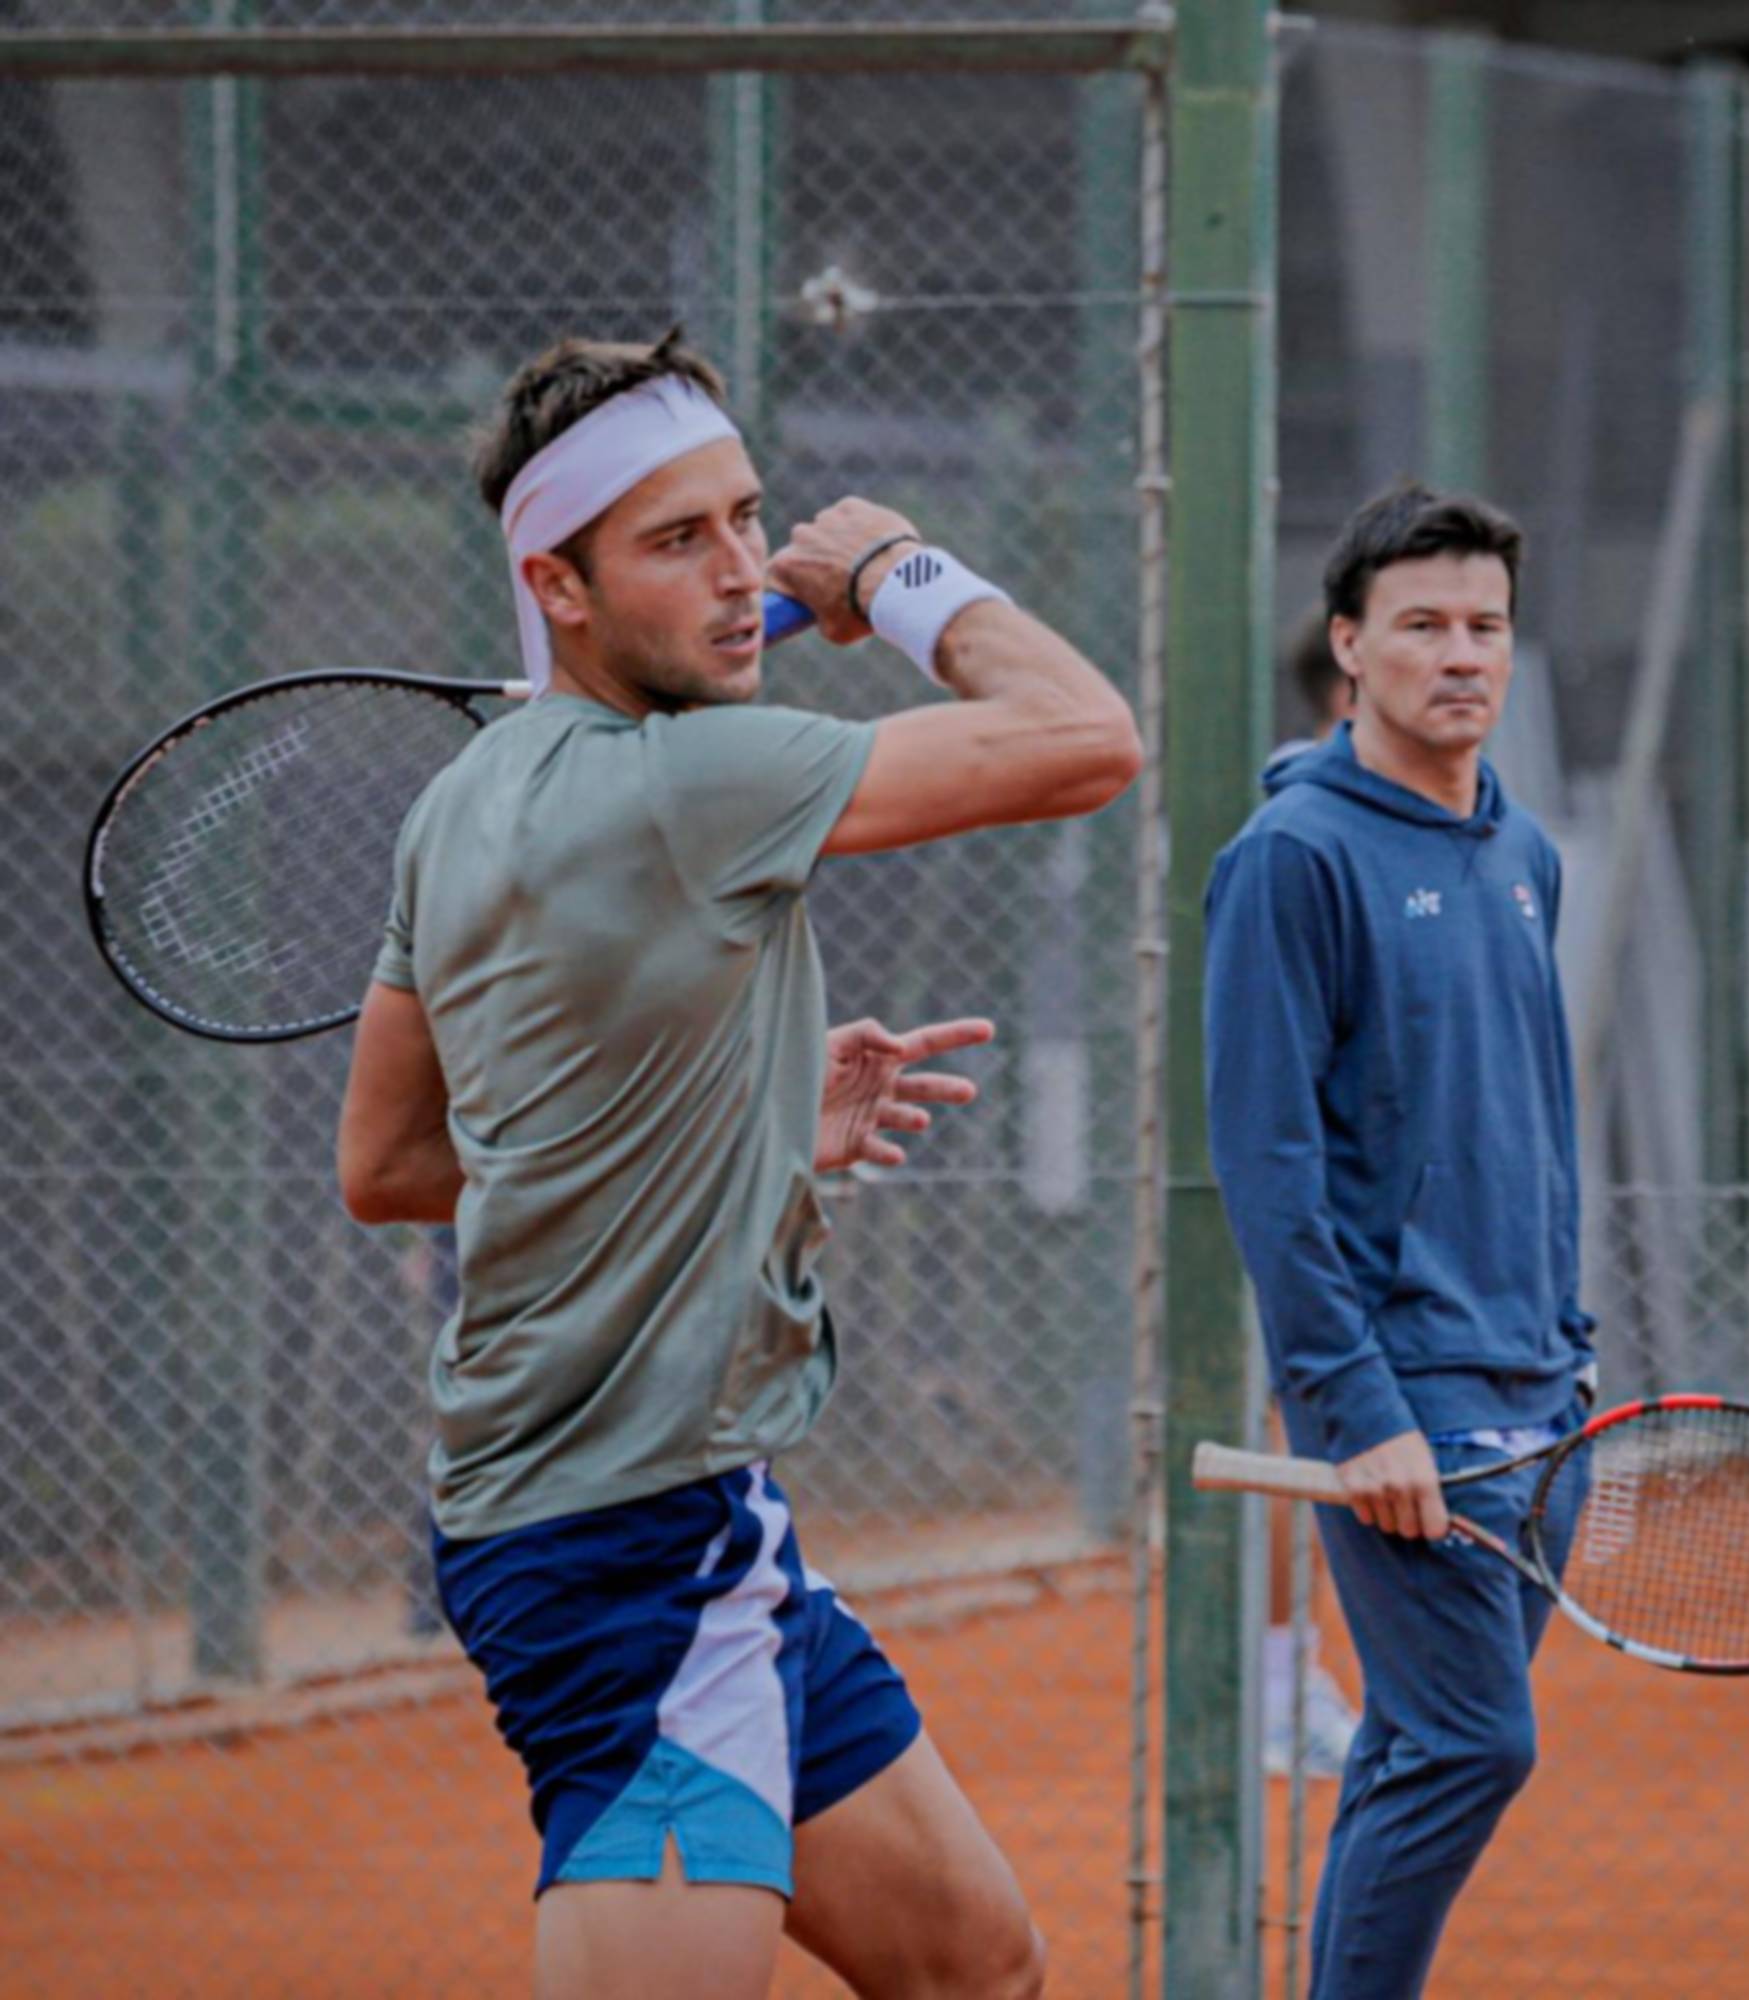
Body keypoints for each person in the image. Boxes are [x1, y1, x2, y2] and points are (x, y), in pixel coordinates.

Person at [336, 327, 1141, 2000]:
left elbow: (397, 1164)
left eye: (747, 521)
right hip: (618, 1543)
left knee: (974, 1966)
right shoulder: (691, 780)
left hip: (700, 1520)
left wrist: (746, 1129)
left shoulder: (463, 802)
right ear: (555, 585)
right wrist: (900, 573)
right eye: (675, 540)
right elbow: (1084, 737)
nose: (736, 575)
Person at [1204, 483, 1596, 1998]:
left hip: (1537, 1398)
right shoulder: (1290, 858)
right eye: (1422, 625)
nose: (1461, 655)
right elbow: (1269, 1167)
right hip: (1403, 1398)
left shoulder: (1525, 856)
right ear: (1350, 648)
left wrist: (1570, 1358)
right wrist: (1357, 1411)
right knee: (1470, 1743)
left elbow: (1537, 1126)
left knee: (1417, 1742)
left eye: (1485, 627)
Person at [1261, 609, 1362, 1782]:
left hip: (1349, 1209)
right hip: (1288, 1205)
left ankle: (1286, 1678)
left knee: (1304, 1441)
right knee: (1285, 1445)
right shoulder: (1301, 831)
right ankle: (1274, 1689)